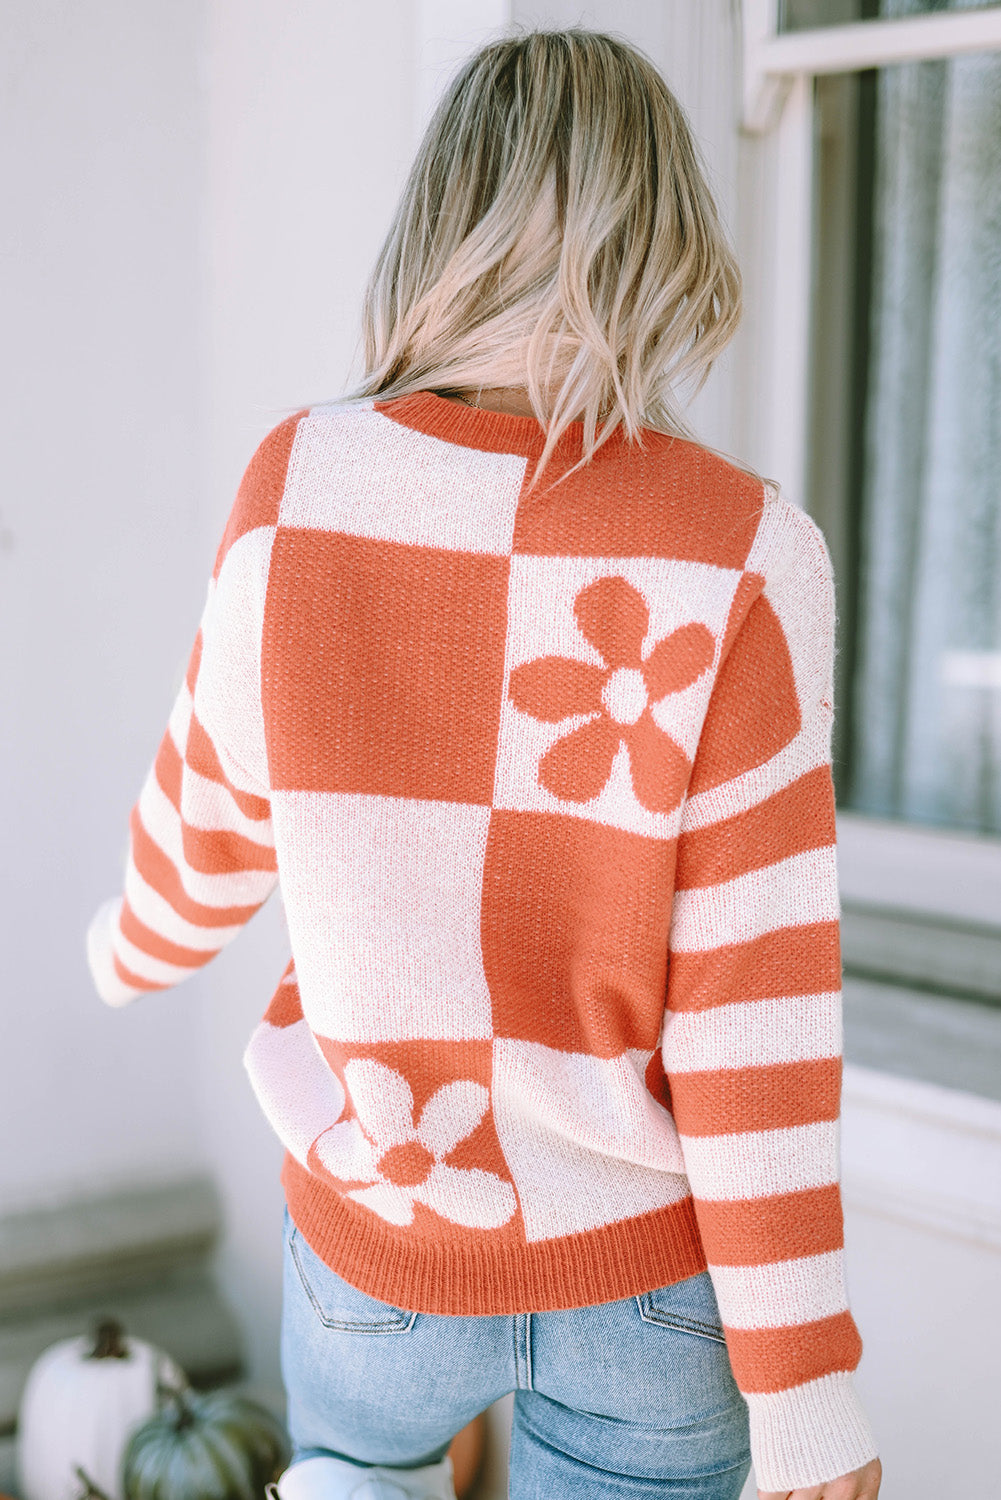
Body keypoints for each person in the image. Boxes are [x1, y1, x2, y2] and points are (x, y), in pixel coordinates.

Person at [86, 28, 882, 1500]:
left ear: (436, 232)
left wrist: (123, 952)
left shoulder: (299, 491)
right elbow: (751, 1013)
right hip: (645, 1285)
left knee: (345, 1472)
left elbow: (204, 825)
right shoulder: (743, 555)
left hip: (378, 1253)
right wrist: (806, 1388)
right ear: (665, 247)